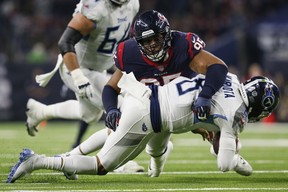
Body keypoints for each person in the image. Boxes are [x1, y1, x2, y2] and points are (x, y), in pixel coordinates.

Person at [6, 72, 280, 183]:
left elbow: (202, 106)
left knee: (121, 136)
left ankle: (66, 160)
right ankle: (37, 161)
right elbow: (224, 164)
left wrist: (214, 132)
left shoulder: (229, 77)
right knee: (102, 166)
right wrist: (238, 157)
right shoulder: (236, 114)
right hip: (151, 117)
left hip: (150, 97)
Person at [25, 0, 144, 173]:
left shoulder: (132, 4)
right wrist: (77, 75)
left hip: (99, 69)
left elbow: (119, 38)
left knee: (89, 115)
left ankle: (40, 112)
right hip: (77, 68)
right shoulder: (96, 8)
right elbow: (65, 42)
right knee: (123, 111)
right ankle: (118, 163)